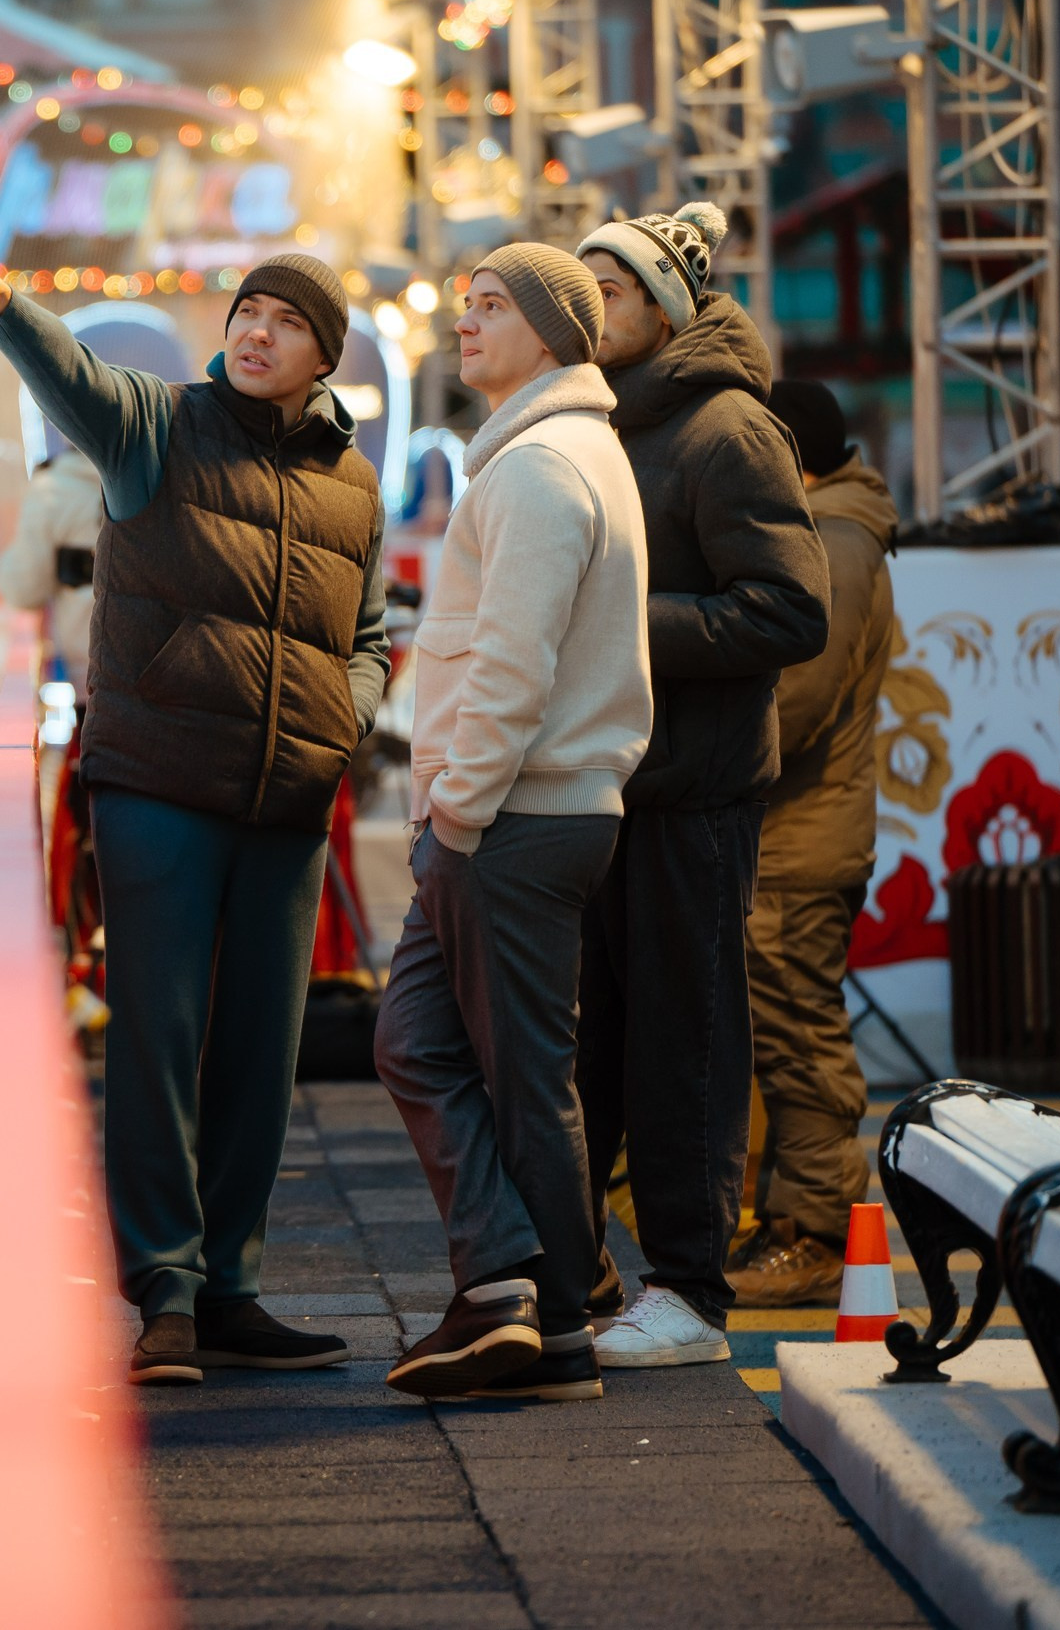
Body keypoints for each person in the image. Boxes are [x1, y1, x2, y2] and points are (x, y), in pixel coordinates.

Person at [0, 236, 392, 1387]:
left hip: (284, 795)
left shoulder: (351, 481)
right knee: (159, 1039)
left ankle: (232, 1285)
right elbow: (73, 378)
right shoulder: (157, 426)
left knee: (257, 1053)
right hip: (160, 784)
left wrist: (343, 714)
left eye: (285, 319)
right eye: (247, 311)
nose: (256, 331)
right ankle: (164, 1288)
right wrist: (6, 307)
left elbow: (366, 637)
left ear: (323, 353)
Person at [374, 245, 652, 1404]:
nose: (465, 324)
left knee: (522, 1074)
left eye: (494, 307)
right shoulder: (549, 454)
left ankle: (558, 1328)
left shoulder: (541, 467)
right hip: (520, 811)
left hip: (513, 816)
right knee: (419, 1040)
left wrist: (455, 808)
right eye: (466, 304)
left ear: (551, 331)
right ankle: (501, 1287)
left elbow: (511, 665)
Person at [572, 204, 829, 1368]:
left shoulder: (728, 430)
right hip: (603, 785)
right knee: (589, 1049)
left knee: (688, 1045)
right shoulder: (599, 423)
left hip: (690, 791)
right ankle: (575, 1273)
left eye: (611, 290)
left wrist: (621, 624)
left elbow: (788, 607)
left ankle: (687, 1287)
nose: (590, 309)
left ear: (663, 307)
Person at [731, 380, 898, 1306]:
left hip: (800, 837)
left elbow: (792, 701)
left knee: (800, 1038)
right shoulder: (829, 528)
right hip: (792, 834)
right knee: (785, 1033)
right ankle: (790, 1220)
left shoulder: (832, 543)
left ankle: (818, 1236)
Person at [0, 451, 106, 698]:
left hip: (93, 673)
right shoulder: (173, 466)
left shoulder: (52, 489)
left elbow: (24, 588)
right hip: (176, 670)